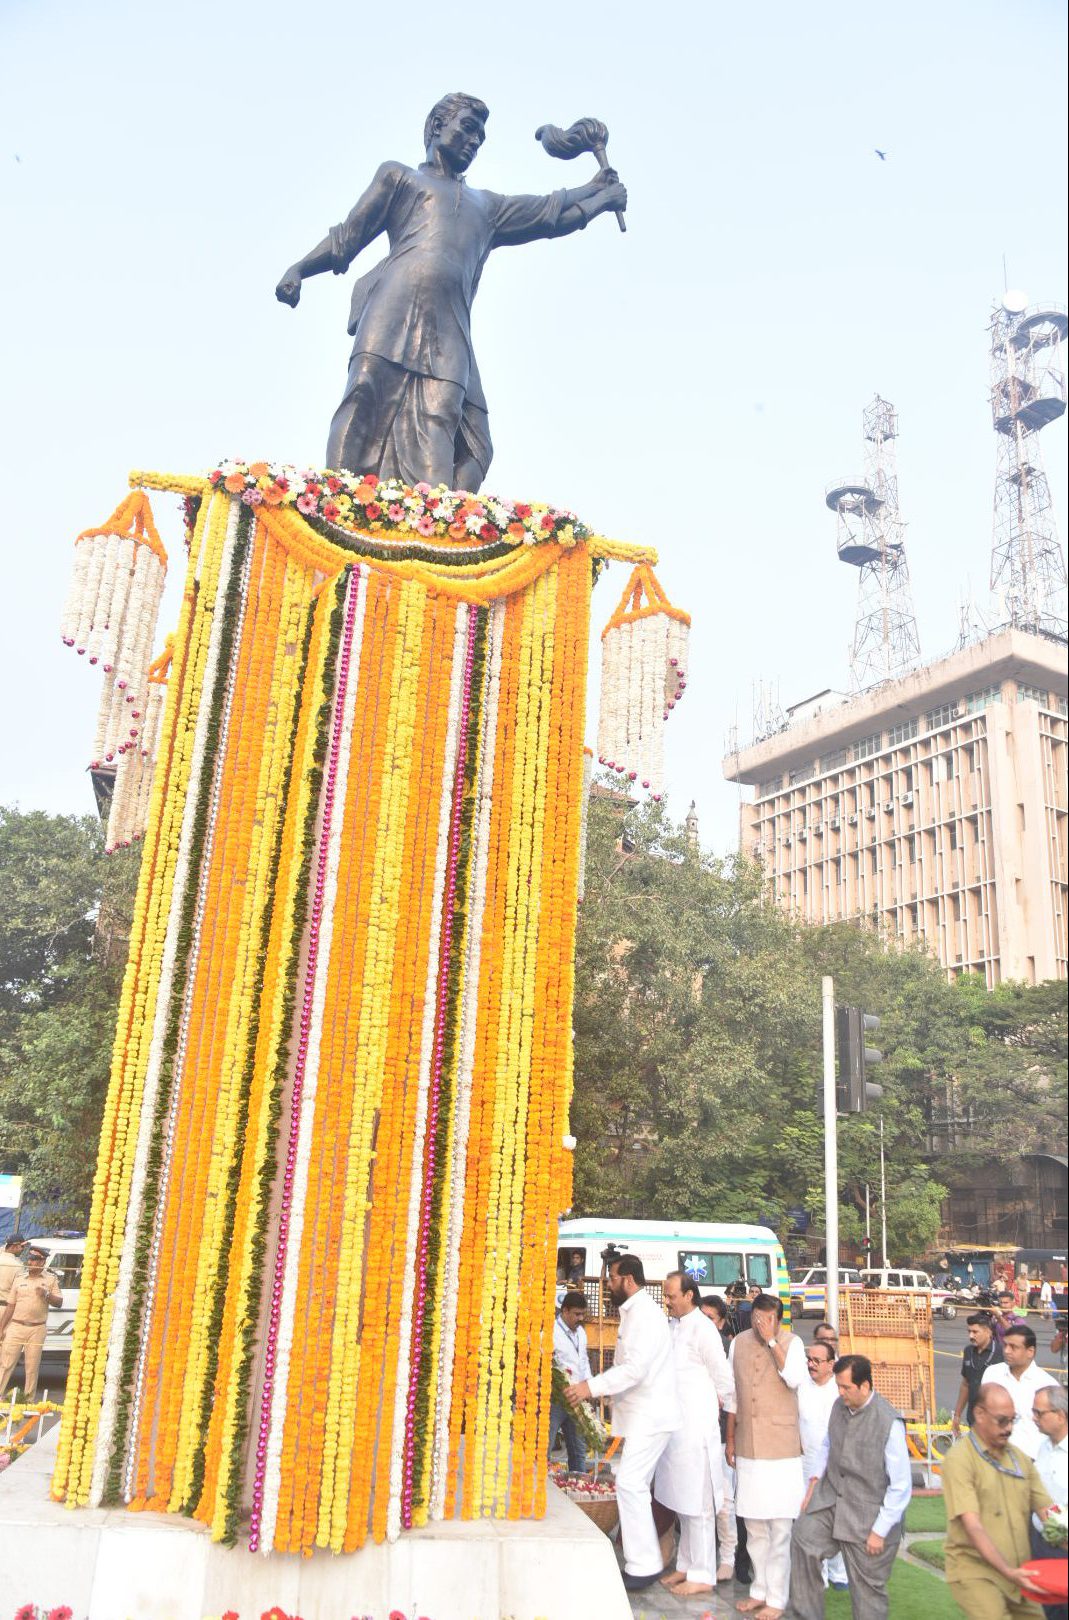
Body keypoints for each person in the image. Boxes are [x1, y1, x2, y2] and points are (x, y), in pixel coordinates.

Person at [276, 94, 627, 491]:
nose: (474, 140)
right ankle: (334, 502)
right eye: (467, 127)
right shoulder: (400, 177)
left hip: (449, 329)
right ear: (436, 126)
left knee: (446, 419)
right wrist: (300, 269)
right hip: (391, 309)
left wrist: (598, 197)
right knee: (364, 394)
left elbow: (548, 213)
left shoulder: (487, 207)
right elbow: (347, 238)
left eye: (481, 135)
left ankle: (431, 524)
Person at [564, 1253, 680, 1592]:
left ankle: (644, 1565)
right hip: (644, 1417)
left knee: (630, 1484)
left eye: (612, 1278)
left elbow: (634, 1370)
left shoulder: (644, 1314)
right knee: (632, 1484)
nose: (609, 1285)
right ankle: (642, 1561)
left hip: (653, 1416)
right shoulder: (635, 1313)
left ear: (627, 1279)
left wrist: (591, 1387)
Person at [787, 1354, 911, 1619]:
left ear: (864, 1386)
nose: (840, 1392)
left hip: (870, 1514)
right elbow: (827, 1446)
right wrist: (814, 1483)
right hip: (831, 1500)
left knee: (868, 1593)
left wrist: (880, 1530)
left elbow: (901, 1486)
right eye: (838, 1386)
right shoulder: (838, 1407)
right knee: (803, 1537)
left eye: (846, 1388)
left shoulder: (890, 1423)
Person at [724, 1291, 806, 1619]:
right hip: (748, 1445)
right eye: (756, 1317)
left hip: (782, 1448)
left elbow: (795, 1379)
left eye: (767, 1318)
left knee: (780, 1527)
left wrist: (773, 1343)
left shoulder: (793, 1343)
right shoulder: (738, 1343)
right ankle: (759, 1589)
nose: (760, 1323)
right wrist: (730, 1439)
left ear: (778, 1318)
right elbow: (732, 1395)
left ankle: (778, 1597)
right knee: (754, 1524)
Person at [942, 1382, 1054, 1618]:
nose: (1009, 1428)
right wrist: (1007, 1571)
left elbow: (1049, 1511)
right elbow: (972, 1526)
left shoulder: (1020, 1460)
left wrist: (1064, 1532)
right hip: (976, 1572)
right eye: (1002, 1420)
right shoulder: (960, 1460)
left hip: (1018, 1573)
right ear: (979, 1414)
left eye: (1013, 1420)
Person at [656, 1271, 736, 1596]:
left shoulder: (703, 1329)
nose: (668, 1301)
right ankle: (686, 1566)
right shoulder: (674, 1327)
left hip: (698, 1432)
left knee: (701, 1506)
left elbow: (725, 1381)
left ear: (689, 1295)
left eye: (672, 1295)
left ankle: (703, 1574)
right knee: (683, 1502)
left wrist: (729, 1431)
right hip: (676, 1432)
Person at [797, 1340, 848, 1591]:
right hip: (805, 1464)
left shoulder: (839, 1391)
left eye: (817, 1361)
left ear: (831, 1364)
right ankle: (819, 1576)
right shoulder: (801, 1387)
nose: (811, 1365)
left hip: (833, 1466)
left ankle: (839, 1573)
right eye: (809, 1359)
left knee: (835, 1521)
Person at [982, 1324, 1059, 1459]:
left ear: (1030, 1351)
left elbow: (1057, 1430)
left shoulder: (1048, 1385)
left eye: (1013, 1347)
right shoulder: (992, 1374)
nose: (1006, 1351)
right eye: (1005, 1345)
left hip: (1031, 1463)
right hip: (994, 1460)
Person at [0, 1245, 62, 1398]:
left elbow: (59, 1302)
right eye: (30, 1258)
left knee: (31, 1367)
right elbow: (10, 1306)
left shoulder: (50, 1280)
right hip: (16, 1325)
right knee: (6, 1364)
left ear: (42, 1262)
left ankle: (27, 1401)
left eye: (35, 1259)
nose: (31, 1261)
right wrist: (1, 1328)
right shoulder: (20, 1279)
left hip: (37, 1329)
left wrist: (46, 1295)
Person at [1032, 1385, 1068, 1620]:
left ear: (1061, 1415)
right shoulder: (1044, 1447)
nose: (1034, 1418)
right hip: (1039, 1544)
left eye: (1040, 1413)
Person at [549, 1291, 592, 1473]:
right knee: (545, 1445)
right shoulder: (550, 1331)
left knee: (578, 1449)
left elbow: (584, 1361)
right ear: (564, 1311)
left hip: (577, 1399)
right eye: (577, 1314)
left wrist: (588, 1387)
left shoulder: (581, 1332)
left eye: (583, 1314)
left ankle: (579, 1487)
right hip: (555, 1399)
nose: (580, 1318)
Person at [953, 1312, 1005, 1435]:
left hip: (995, 1422)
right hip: (974, 1418)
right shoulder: (968, 1351)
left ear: (988, 1332)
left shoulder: (1001, 1352)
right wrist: (957, 1415)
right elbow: (966, 1384)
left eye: (975, 1332)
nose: (971, 1336)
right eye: (969, 1331)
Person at [0, 1236, 27, 1307]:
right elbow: (20, 1290)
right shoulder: (18, 1266)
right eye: (22, 1247)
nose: (23, 1249)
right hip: (5, 1306)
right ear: (13, 1247)